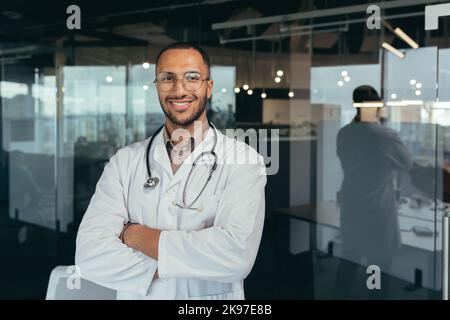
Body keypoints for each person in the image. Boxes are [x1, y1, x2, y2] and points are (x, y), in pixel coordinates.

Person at [75, 42, 267, 300]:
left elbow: (236, 256)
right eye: (167, 78)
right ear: (156, 85)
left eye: (192, 78)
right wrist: (190, 261)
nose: (179, 90)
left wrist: (134, 235)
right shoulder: (125, 161)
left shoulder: (244, 161)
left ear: (208, 86)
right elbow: (90, 256)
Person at [334, 85, 412, 298]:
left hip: (352, 206)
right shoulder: (385, 136)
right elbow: (407, 163)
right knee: (376, 267)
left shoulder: (344, 133)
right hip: (377, 210)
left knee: (348, 262)